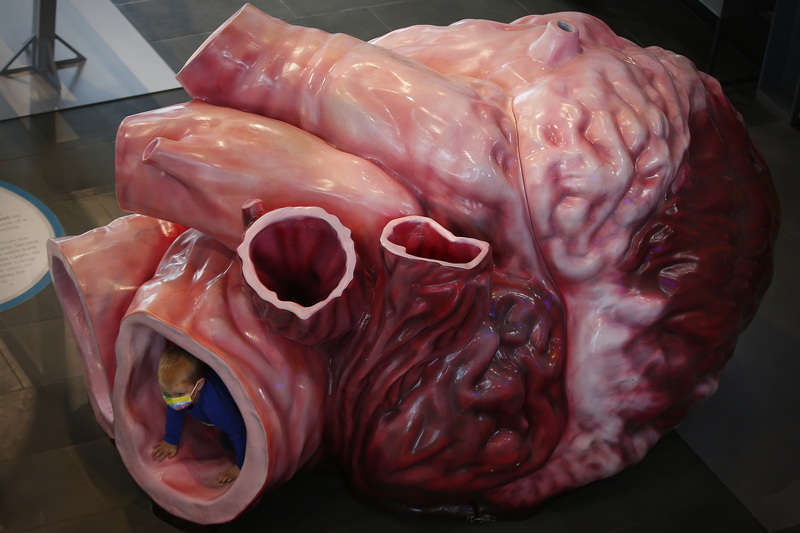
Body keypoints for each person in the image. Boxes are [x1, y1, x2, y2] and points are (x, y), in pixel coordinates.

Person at [151, 346, 247, 484]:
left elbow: (239, 433)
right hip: (209, 407)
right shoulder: (179, 391)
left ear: (199, 384)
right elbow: (174, 411)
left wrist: (240, 465)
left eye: (179, 394)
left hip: (234, 408)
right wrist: (170, 440)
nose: (172, 399)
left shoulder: (217, 407)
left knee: (227, 443)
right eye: (166, 393)